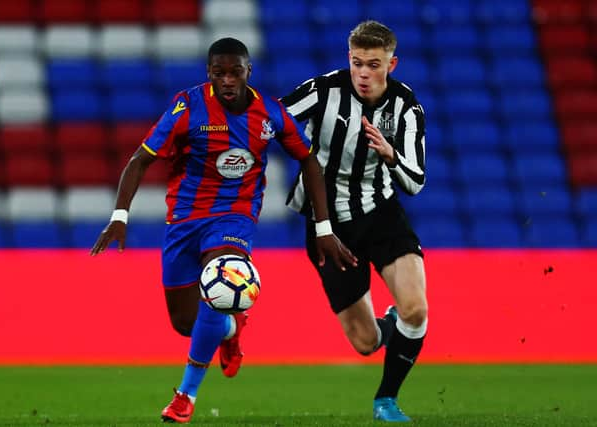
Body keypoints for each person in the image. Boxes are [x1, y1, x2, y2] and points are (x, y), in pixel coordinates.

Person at [90, 37, 356, 424]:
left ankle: (185, 395)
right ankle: (231, 326)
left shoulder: (270, 114)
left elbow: (309, 161)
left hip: (235, 216)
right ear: (209, 74)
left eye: (235, 72)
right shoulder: (188, 107)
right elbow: (139, 160)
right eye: (219, 73)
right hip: (184, 219)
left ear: (249, 72)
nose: (227, 80)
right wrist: (119, 216)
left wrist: (324, 227)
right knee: (185, 324)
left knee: (220, 278)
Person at [281, 21, 428, 422]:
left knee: (415, 309)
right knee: (365, 343)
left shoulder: (406, 107)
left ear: (391, 64)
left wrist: (390, 155)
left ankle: (386, 400)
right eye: (357, 63)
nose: (363, 73)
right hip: (327, 223)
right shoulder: (323, 90)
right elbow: (270, 120)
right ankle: (387, 328)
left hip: (381, 214)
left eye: (373, 65)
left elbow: (415, 181)